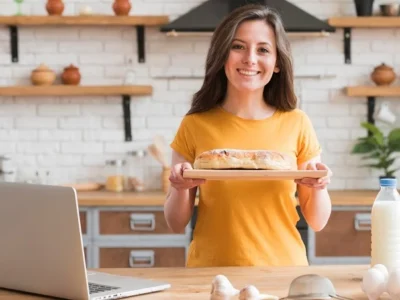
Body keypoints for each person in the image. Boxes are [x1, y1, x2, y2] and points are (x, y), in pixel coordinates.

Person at [164, 3, 332, 267]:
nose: (250, 59)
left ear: (277, 63)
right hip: (210, 275)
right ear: (223, 56)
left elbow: (318, 221)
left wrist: (320, 186)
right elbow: (175, 223)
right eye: (238, 46)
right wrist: (179, 188)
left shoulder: (297, 123)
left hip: (282, 272)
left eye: (263, 49)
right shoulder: (195, 124)